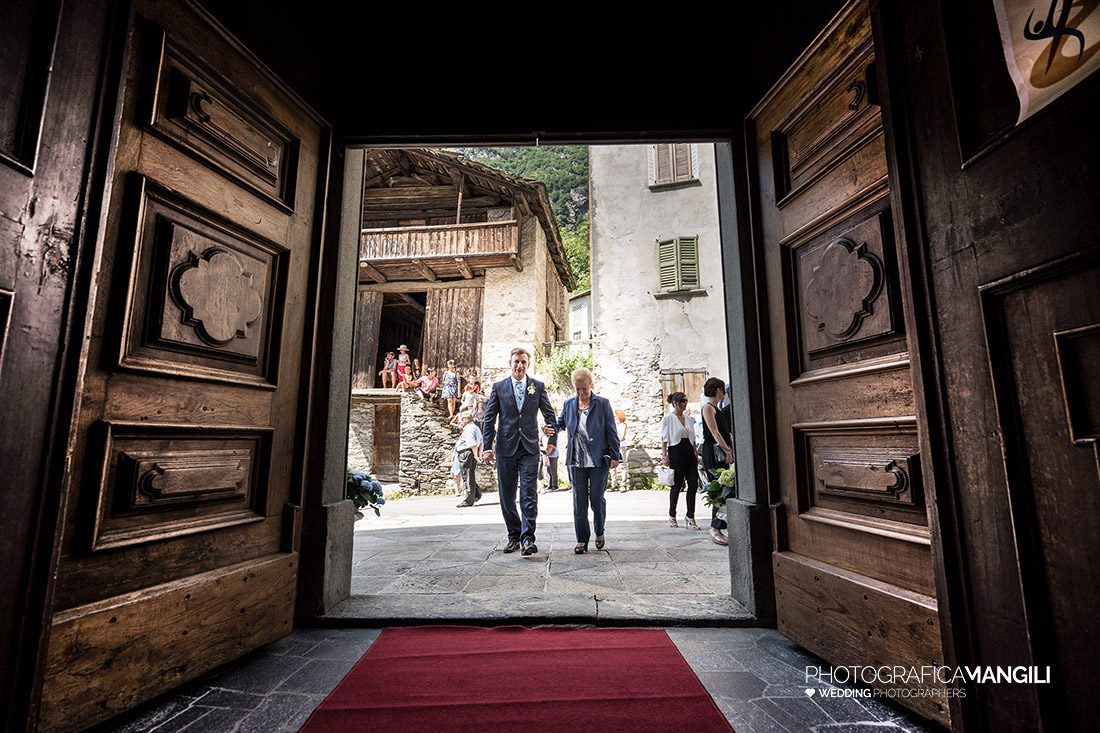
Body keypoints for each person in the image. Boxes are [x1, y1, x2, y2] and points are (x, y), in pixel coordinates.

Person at [481, 347, 557, 556]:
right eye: (516, 361)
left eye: (524, 362)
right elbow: (489, 419)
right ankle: (514, 535)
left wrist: (552, 439)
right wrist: (487, 446)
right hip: (505, 448)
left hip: (530, 448)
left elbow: (550, 415)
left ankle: (528, 538)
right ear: (510, 363)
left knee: (528, 493)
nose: (520, 365)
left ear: (528, 364)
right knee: (506, 496)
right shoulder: (499, 387)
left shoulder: (537, 387)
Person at [554, 367, 621, 554]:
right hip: (576, 460)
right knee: (579, 501)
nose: (581, 393)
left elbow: (611, 430)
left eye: (584, 388)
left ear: (590, 385)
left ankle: (599, 531)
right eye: (578, 389)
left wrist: (615, 455)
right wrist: (550, 428)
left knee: (597, 499)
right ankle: (581, 539)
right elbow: (560, 423)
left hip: (598, 460)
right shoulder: (569, 404)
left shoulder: (602, 404)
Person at [700, 377, 733, 546]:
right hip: (713, 451)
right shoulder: (708, 408)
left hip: (720, 449)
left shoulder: (717, 409)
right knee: (718, 487)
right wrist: (727, 450)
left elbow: (725, 432)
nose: (724, 392)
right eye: (722, 389)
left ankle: (721, 525)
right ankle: (715, 527)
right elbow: (714, 432)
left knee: (724, 486)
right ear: (718, 389)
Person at [661, 392, 702, 530]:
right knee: (677, 485)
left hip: (689, 453)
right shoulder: (668, 419)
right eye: (682, 401)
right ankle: (672, 515)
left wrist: (696, 454)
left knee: (693, 485)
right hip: (676, 452)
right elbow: (664, 439)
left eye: (686, 400)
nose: (685, 403)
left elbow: (693, 438)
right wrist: (664, 456)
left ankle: (690, 515)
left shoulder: (689, 419)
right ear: (675, 403)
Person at [454, 411, 482, 507]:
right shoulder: (475, 427)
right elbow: (481, 442)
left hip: (466, 452)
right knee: (470, 475)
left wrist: (476, 455)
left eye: (462, 419)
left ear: (466, 419)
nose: (460, 421)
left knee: (467, 476)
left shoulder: (469, 429)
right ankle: (476, 494)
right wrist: (478, 454)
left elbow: (473, 443)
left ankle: (468, 500)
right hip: (469, 452)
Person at [610, 409, 628, 490]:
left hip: (621, 446)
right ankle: (614, 484)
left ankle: (623, 484)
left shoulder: (623, 425)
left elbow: (622, 437)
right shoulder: (613, 425)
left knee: (623, 465)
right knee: (612, 465)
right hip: (613, 446)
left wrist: (614, 436)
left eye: (615, 417)